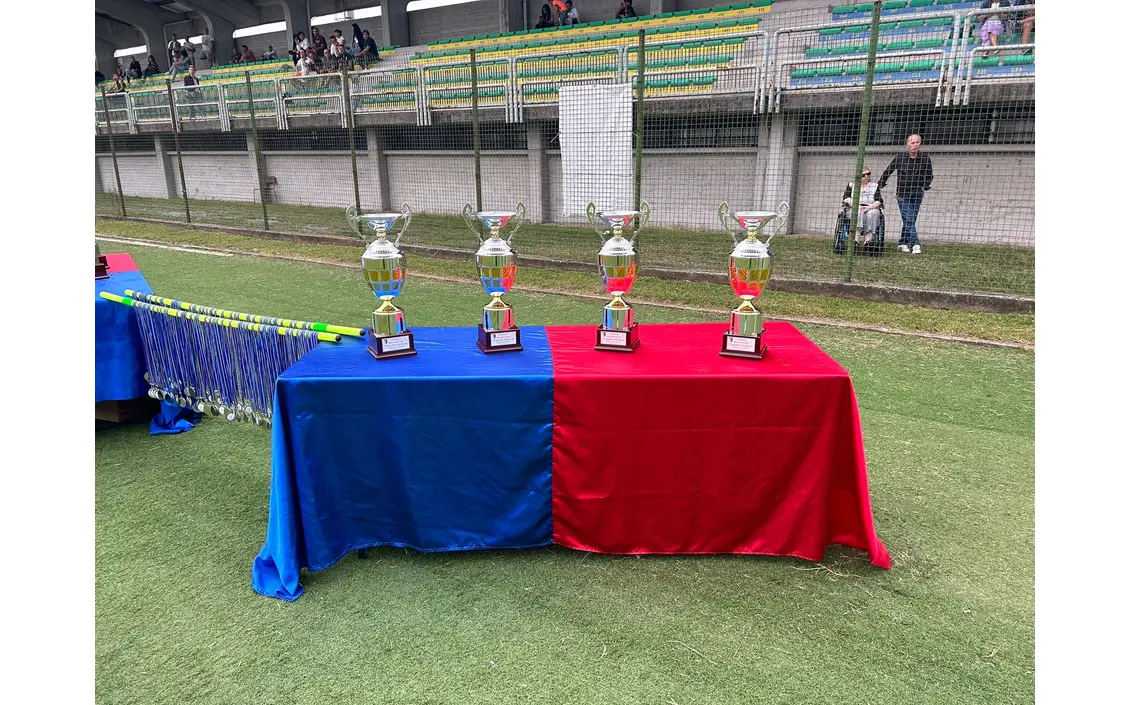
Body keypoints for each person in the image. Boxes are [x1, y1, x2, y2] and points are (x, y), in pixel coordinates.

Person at [877, 134, 933, 254]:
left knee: (910, 220)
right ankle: (915, 244)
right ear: (907, 145)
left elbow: (929, 175)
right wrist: (880, 184)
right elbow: (888, 170)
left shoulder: (925, 158)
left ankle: (903, 242)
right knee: (908, 219)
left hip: (917, 193)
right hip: (902, 194)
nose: (915, 145)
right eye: (912, 143)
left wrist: (925, 184)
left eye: (917, 142)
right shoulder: (900, 157)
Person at [842, 167, 883, 248]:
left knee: (873, 213)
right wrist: (856, 206)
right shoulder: (852, 185)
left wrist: (869, 207)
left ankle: (868, 240)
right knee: (858, 212)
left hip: (871, 208)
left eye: (868, 174)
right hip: (854, 207)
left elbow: (879, 200)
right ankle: (856, 239)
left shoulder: (875, 186)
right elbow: (846, 198)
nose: (866, 176)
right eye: (863, 175)